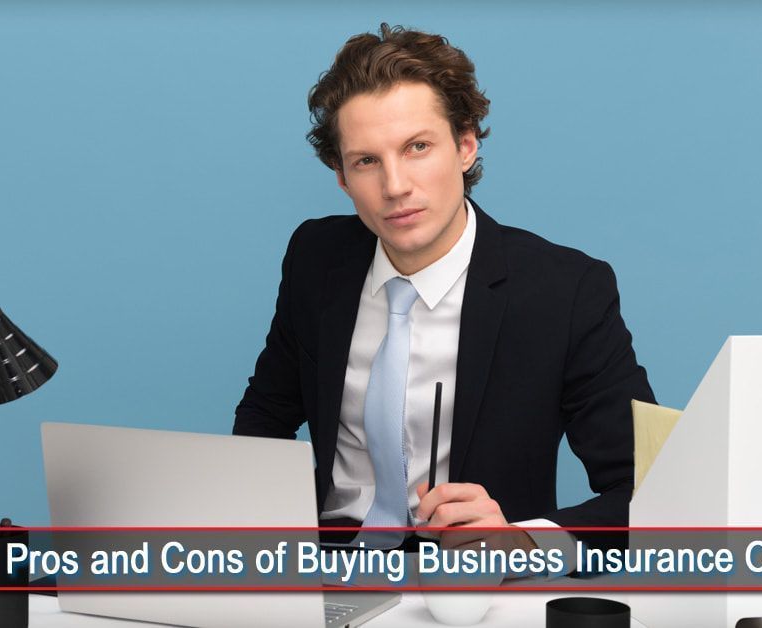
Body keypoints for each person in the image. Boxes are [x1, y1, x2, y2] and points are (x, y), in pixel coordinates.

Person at [233, 24, 655, 554]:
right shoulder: (315, 259)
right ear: (341, 177)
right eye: (366, 161)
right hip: (325, 570)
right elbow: (264, 417)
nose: (394, 186)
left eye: (417, 147)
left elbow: (647, 493)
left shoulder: (567, 292)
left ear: (465, 146)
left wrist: (523, 540)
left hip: (477, 583)